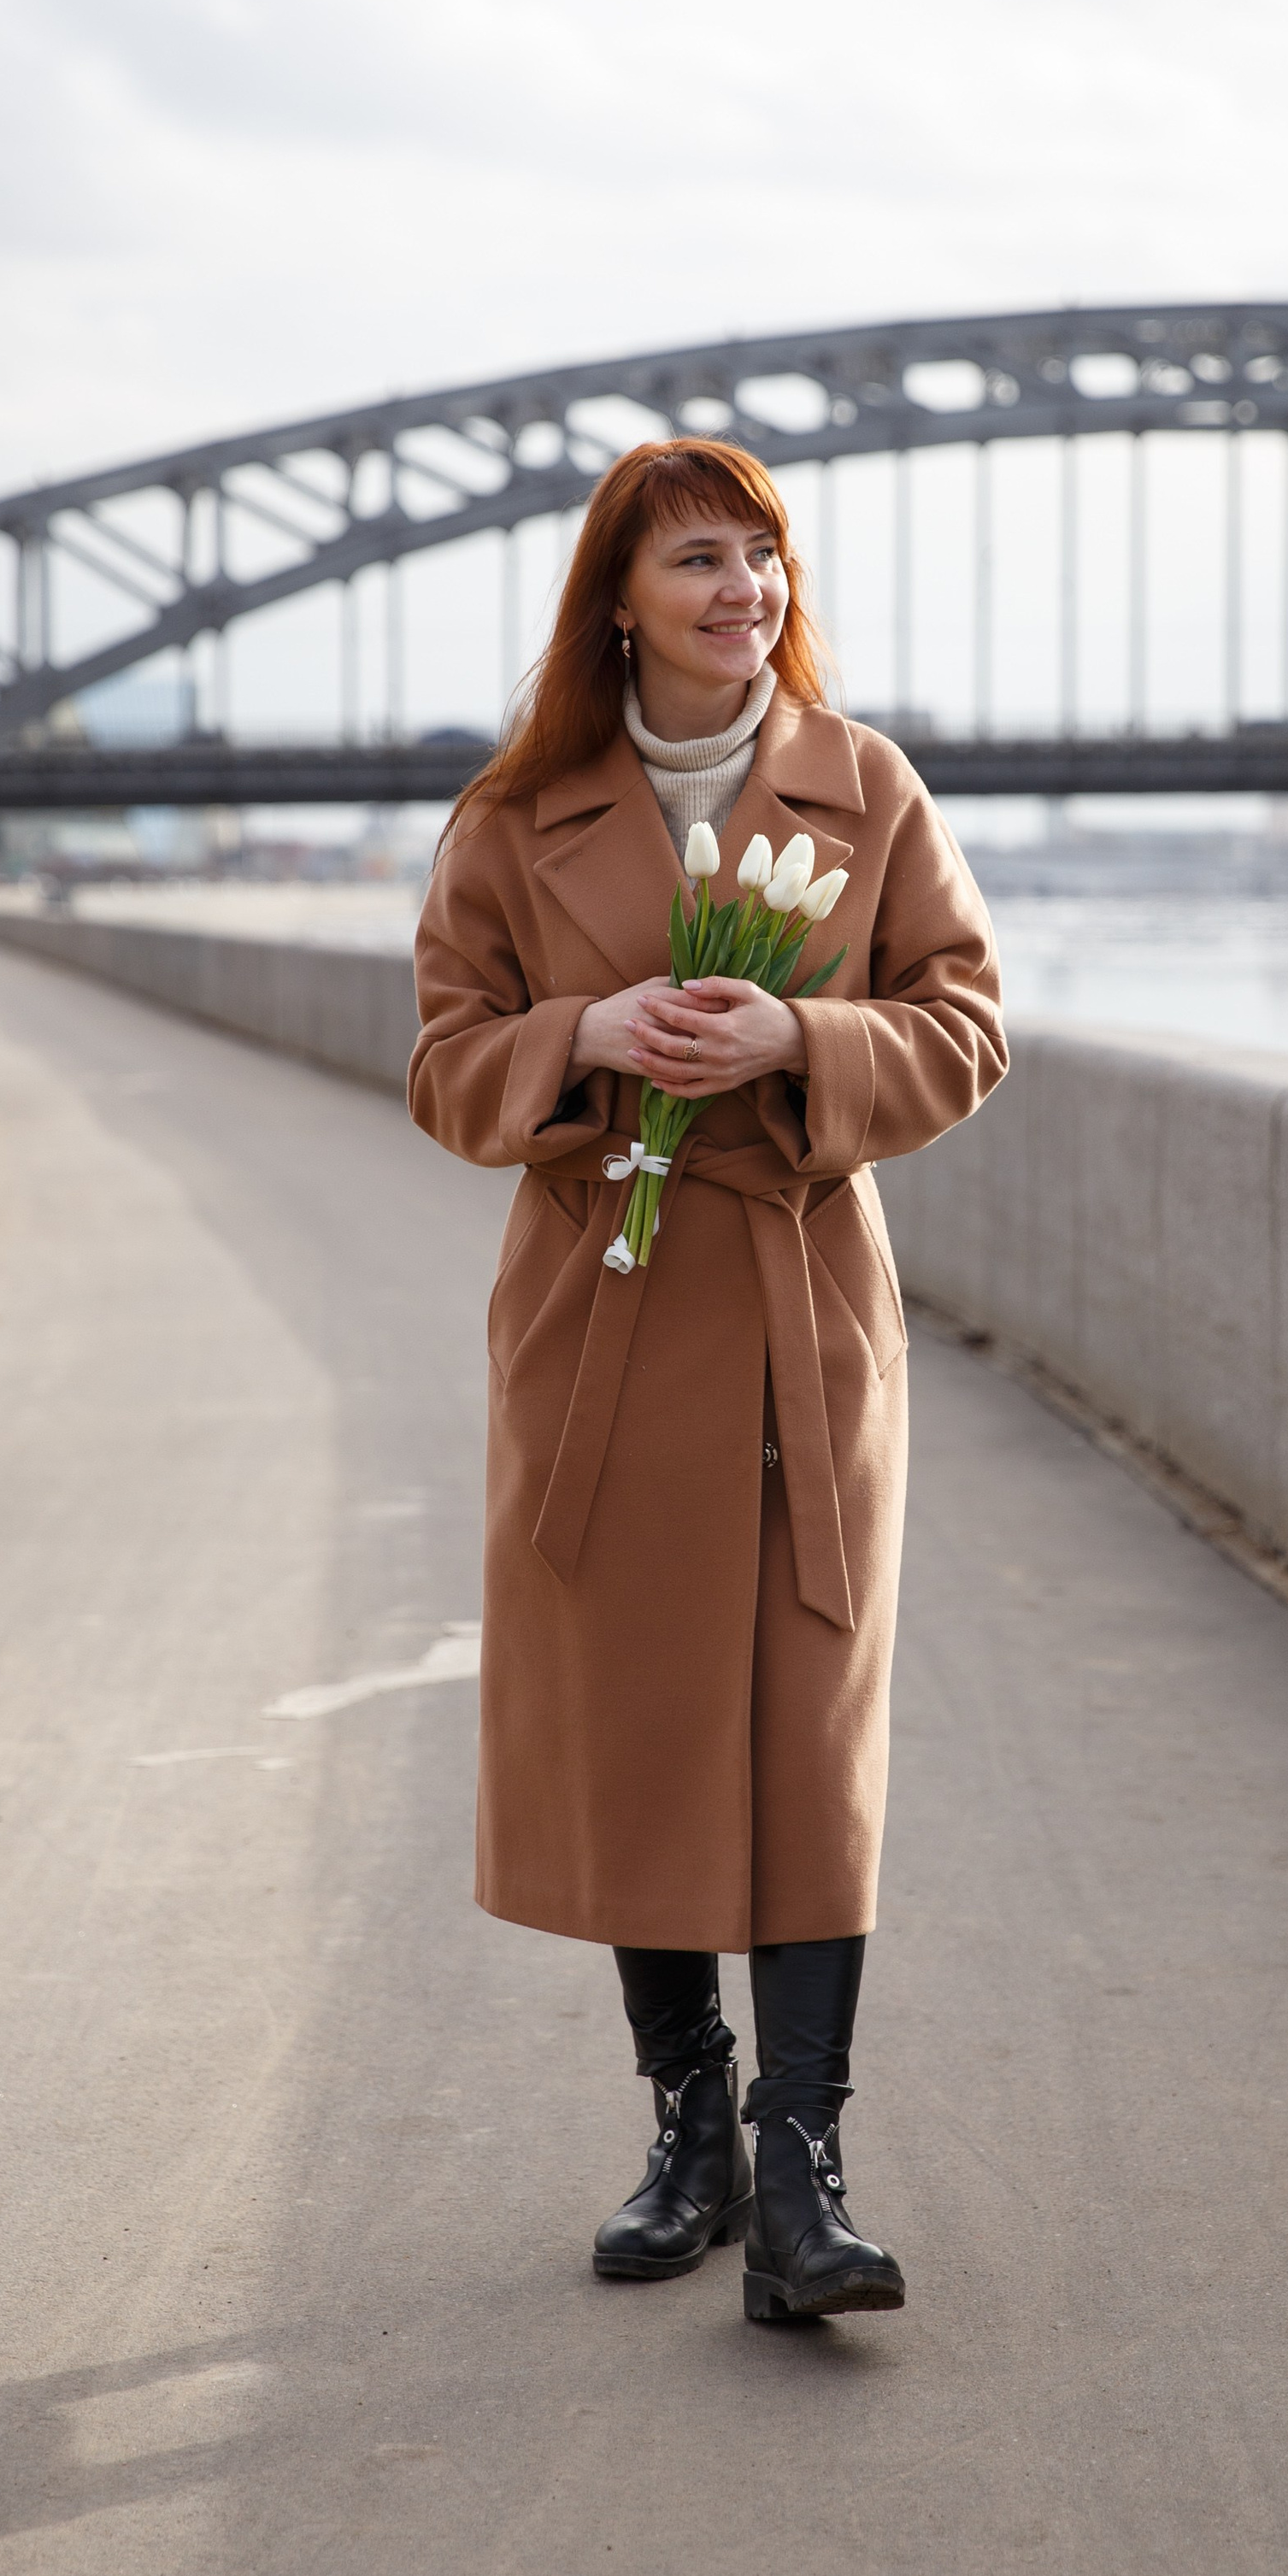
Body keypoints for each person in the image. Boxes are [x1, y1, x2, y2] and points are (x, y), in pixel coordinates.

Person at [409, 438, 1006, 2322]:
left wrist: (798, 1035)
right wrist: (578, 1037)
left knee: (810, 1729)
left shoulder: (865, 786)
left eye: (759, 559)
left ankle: (804, 2165)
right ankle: (688, 2132)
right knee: (642, 1717)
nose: (741, 590)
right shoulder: (516, 818)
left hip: (797, 1301)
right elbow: (441, 1066)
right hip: (601, 1310)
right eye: (697, 562)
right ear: (620, 602)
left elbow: (967, 1023)